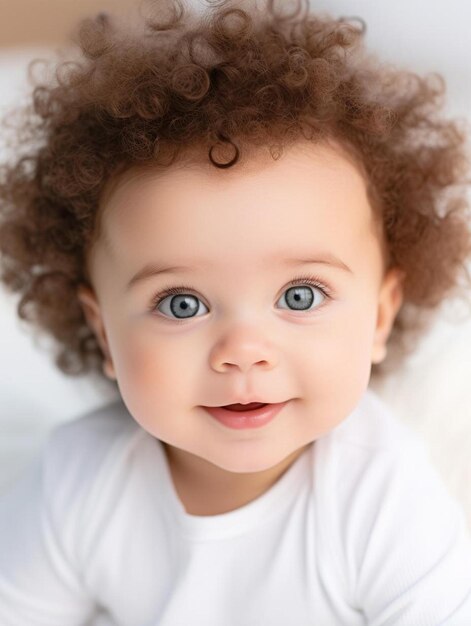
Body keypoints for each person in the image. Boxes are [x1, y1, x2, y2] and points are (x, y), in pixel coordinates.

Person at [1, 0, 471, 623]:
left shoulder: (383, 501)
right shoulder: (77, 482)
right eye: (182, 303)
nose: (243, 348)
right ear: (104, 333)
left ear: (380, 317)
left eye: (299, 296)